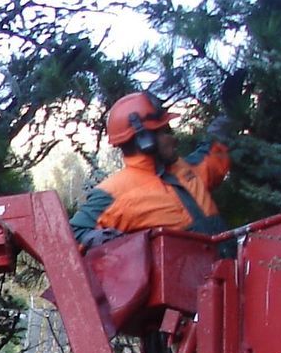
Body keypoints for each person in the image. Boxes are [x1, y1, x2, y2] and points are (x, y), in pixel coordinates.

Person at [70, 91, 231, 246]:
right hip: (186, 272)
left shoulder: (183, 168)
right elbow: (72, 234)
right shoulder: (114, 193)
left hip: (228, 266)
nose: (174, 139)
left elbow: (210, 161)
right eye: (166, 131)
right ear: (145, 140)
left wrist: (228, 119)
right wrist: (118, 243)